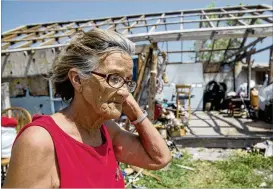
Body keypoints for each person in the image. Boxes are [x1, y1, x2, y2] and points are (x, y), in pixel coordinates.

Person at [3, 28, 172, 188]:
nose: (124, 92)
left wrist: (134, 110)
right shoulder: (40, 142)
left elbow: (159, 158)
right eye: (114, 78)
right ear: (77, 79)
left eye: (127, 81)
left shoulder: (106, 131)